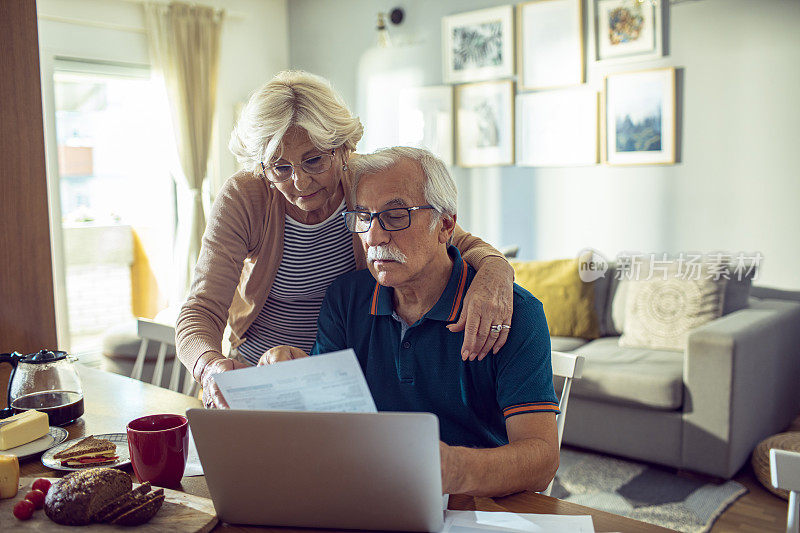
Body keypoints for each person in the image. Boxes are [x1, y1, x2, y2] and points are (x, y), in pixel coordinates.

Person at [176, 71, 516, 409]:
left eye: (314, 160)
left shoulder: (366, 185)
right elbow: (201, 310)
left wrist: (495, 272)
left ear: (343, 149)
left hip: (345, 383)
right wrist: (209, 368)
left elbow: (454, 238)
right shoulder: (246, 196)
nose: (300, 182)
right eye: (280, 168)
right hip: (258, 376)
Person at [261, 147, 559, 496]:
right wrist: (289, 375)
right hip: (372, 495)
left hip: (479, 506)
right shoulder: (345, 300)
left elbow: (541, 459)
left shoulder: (513, 312)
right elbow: (326, 423)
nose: (374, 237)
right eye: (363, 217)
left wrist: (453, 470)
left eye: (396, 215)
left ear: (445, 225)